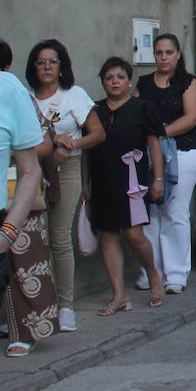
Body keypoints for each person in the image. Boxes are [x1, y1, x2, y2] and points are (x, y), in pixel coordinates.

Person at [25, 39, 104, 333]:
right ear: (33, 67)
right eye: (41, 62)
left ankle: (65, 305)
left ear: (62, 67)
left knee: (58, 238)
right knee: (32, 243)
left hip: (67, 168)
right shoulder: (26, 96)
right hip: (31, 172)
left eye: (52, 61)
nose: (47, 67)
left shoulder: (74, 95)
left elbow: (97, 134)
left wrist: (71, 143)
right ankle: (35, 307)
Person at [82, 57, 166, 314]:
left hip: (132, 180)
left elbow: (154, 145)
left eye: (119, 77)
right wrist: (85, 183)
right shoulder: (93, 110)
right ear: (103, 83)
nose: (114, 82)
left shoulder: (143, 107)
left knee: (133, 234)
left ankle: (153, 275)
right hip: (103, 178)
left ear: (129, 81)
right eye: (109, 78)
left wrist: (158, 179)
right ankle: (119, 295)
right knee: (107, 235)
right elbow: (87, 150)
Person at [134, 33, 196, 295]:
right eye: (159, 53)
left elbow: (192, 117)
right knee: (150, 213)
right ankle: (151, 271)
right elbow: (135, 110)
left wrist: (160, 134)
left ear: (177, 54)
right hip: (150, 155)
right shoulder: (143, 83)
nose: (163, 57)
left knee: (175, 211)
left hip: (183, 152)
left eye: (168, 52)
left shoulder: (187, 82)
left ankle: (176, 274)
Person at [2, 40, 51, 358]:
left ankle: (25, 331)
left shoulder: (16, 95)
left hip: (13, 193)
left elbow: (42, 149)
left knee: (25, 267)